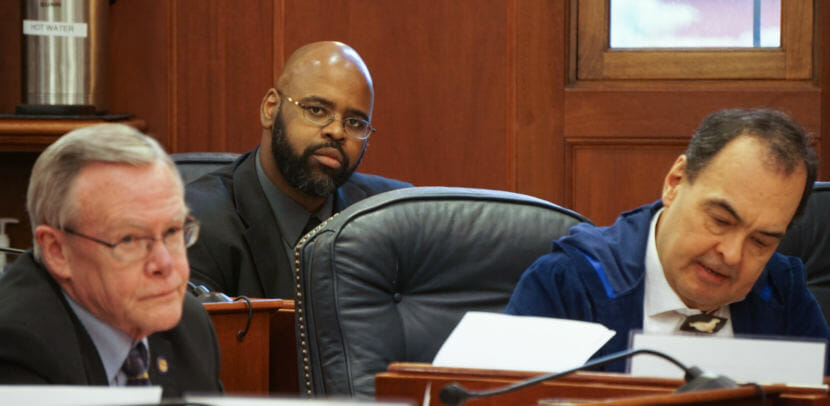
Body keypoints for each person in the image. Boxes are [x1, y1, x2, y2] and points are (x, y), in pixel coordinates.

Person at [505, 108, 830, 373]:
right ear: (675, 183)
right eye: (720, 221)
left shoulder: (782, 294)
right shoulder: (567, 284)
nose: (732, 255)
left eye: (760, 242)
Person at [0, 124, 223, 397]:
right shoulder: (15, 348)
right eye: (129, 239)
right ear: (58, 251)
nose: (164, 263)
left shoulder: (188, 326)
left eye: (172, 231)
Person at [186, 41, 411, 298]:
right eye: (316, 110)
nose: (337, 131)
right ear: (270, 109)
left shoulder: (395, 213)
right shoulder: (199, 221)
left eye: (354, 122)